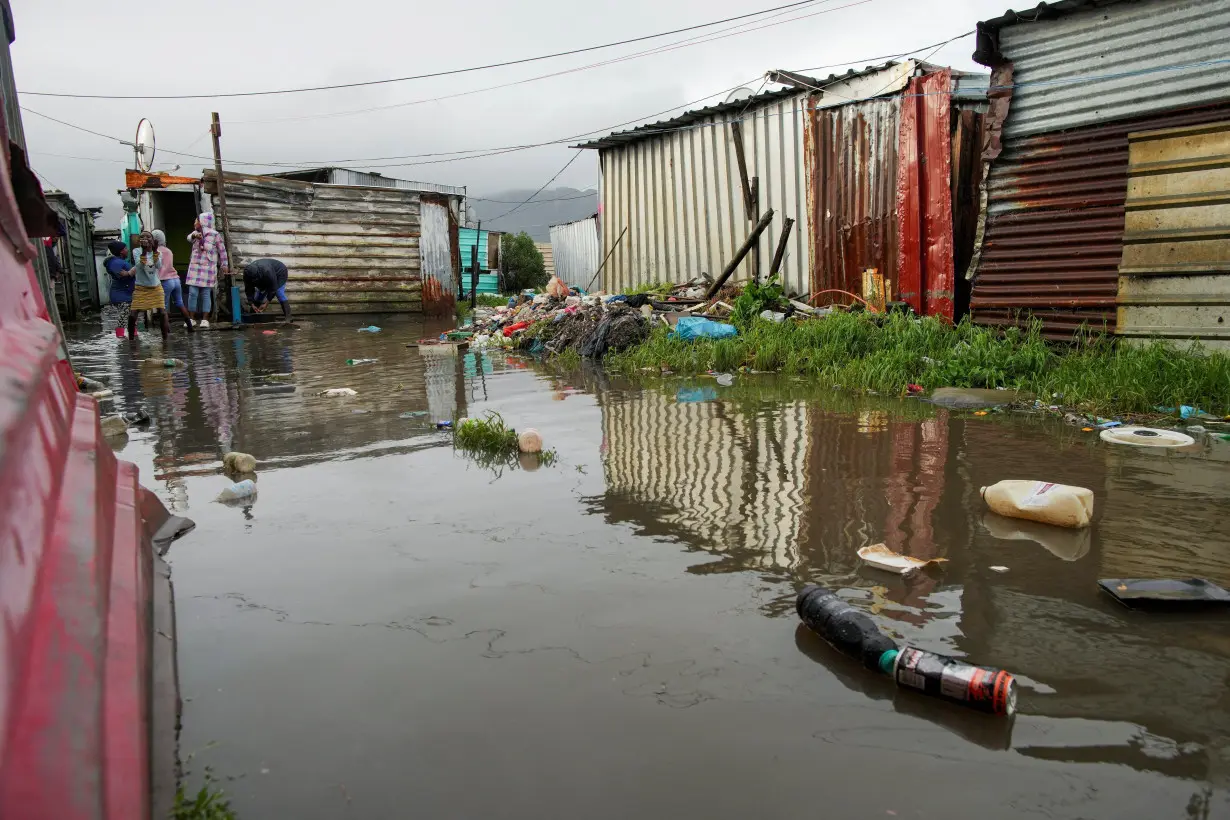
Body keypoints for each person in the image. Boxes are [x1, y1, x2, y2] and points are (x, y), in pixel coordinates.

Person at [186, 212, 228, 329]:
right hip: (195, 267)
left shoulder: (214, 235)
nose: (194, 223)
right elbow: (189, 238)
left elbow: (222, 251)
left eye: (196, 220)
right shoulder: (195, 233)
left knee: (205, 294)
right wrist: (196, 236)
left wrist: (224, 264)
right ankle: (191, 319)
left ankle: (205, 319)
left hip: (208, 268)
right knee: (192, 293)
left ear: (203, 221)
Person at [130, 231, 172, 339]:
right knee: (132, 315)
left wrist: (154, 252)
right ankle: (131, 341)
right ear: (139, 240)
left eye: (148, 237)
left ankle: (165, 340)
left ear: (152, 240)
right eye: (142, 236)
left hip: (155, 287)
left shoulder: (158, 252)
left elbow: (158, 266)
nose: (145, 238)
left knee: (162, 313)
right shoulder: (136, 251)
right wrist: (144, 252)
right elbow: (139, 266)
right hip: (140, 288)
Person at [152, 229, 192, 332]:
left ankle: (166, 331)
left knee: (163, 308)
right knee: (180, 302)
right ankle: (190, 327)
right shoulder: (168, 251)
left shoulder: (155, 252)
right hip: (175, 279)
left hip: (165, 281)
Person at [243, 258, 291, 322]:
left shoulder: (267, 270)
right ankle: (254, 314)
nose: (253, 281)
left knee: (278, 292)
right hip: (264, 276)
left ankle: (289, 317)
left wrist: (266, 303)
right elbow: (248, 289)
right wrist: (251, 303)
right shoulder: (247, 273)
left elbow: (273, 287)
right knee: (260, 292)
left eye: (255, 279)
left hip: (280, 272)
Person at [104, 240, 134, 333]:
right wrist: (130, 272)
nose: (127, 250)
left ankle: (133, 335)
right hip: (120, 294)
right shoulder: (115, 262)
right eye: (125, 248)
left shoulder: (118, 261)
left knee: (131, 315)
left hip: (126, 293)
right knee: (125, 314)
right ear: (121, 251)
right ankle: (120, 336)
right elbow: (120, 274)